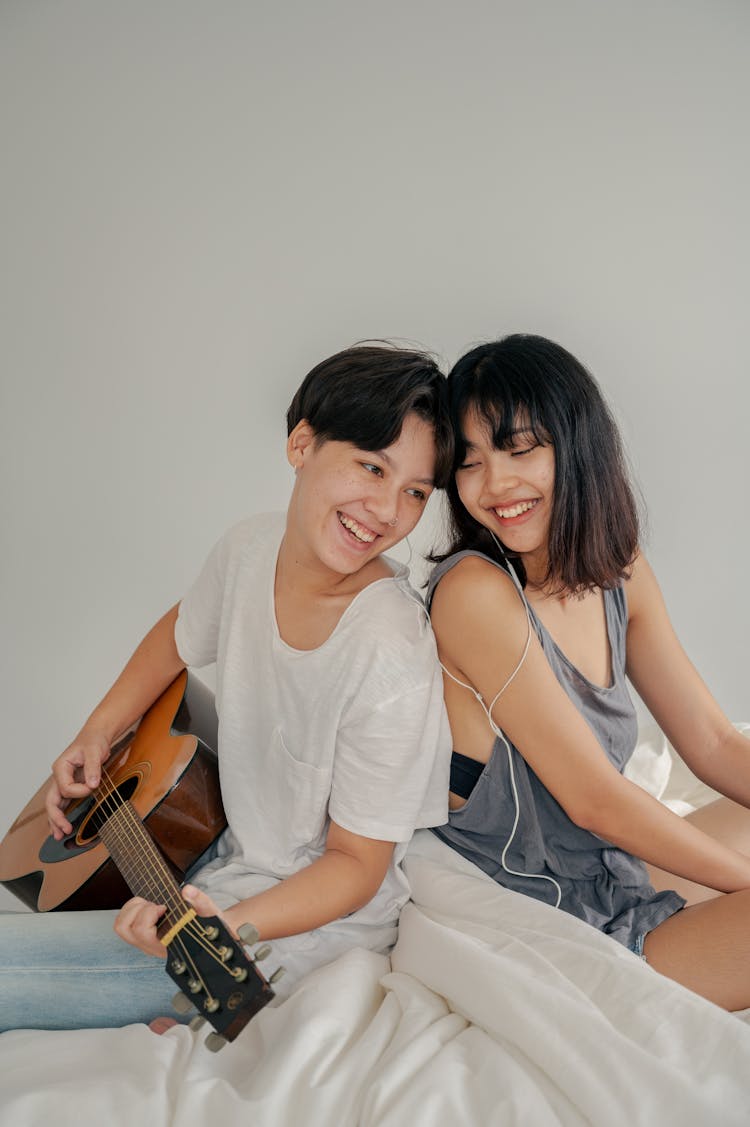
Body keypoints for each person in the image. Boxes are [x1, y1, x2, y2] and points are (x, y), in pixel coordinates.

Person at [0, 343, 453, 1032]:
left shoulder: (392, 648)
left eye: (416, 491)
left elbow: (358, 866)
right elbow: (179, 632)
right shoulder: (248, 548)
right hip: (214, 856)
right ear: (302, 443)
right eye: (371, 465)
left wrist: (226, 924)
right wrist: (97, 731)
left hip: (300, 930)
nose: (387, 509)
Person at [427, 333, 750, 1012]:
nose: (494, 486)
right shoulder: (474, 593)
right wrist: (741, 884)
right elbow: (594, 799)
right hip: (550, 919)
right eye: (471, 461)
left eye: (519, 449)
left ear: (576, 446)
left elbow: (714, 742)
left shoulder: (617, 570)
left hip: (609, 871)